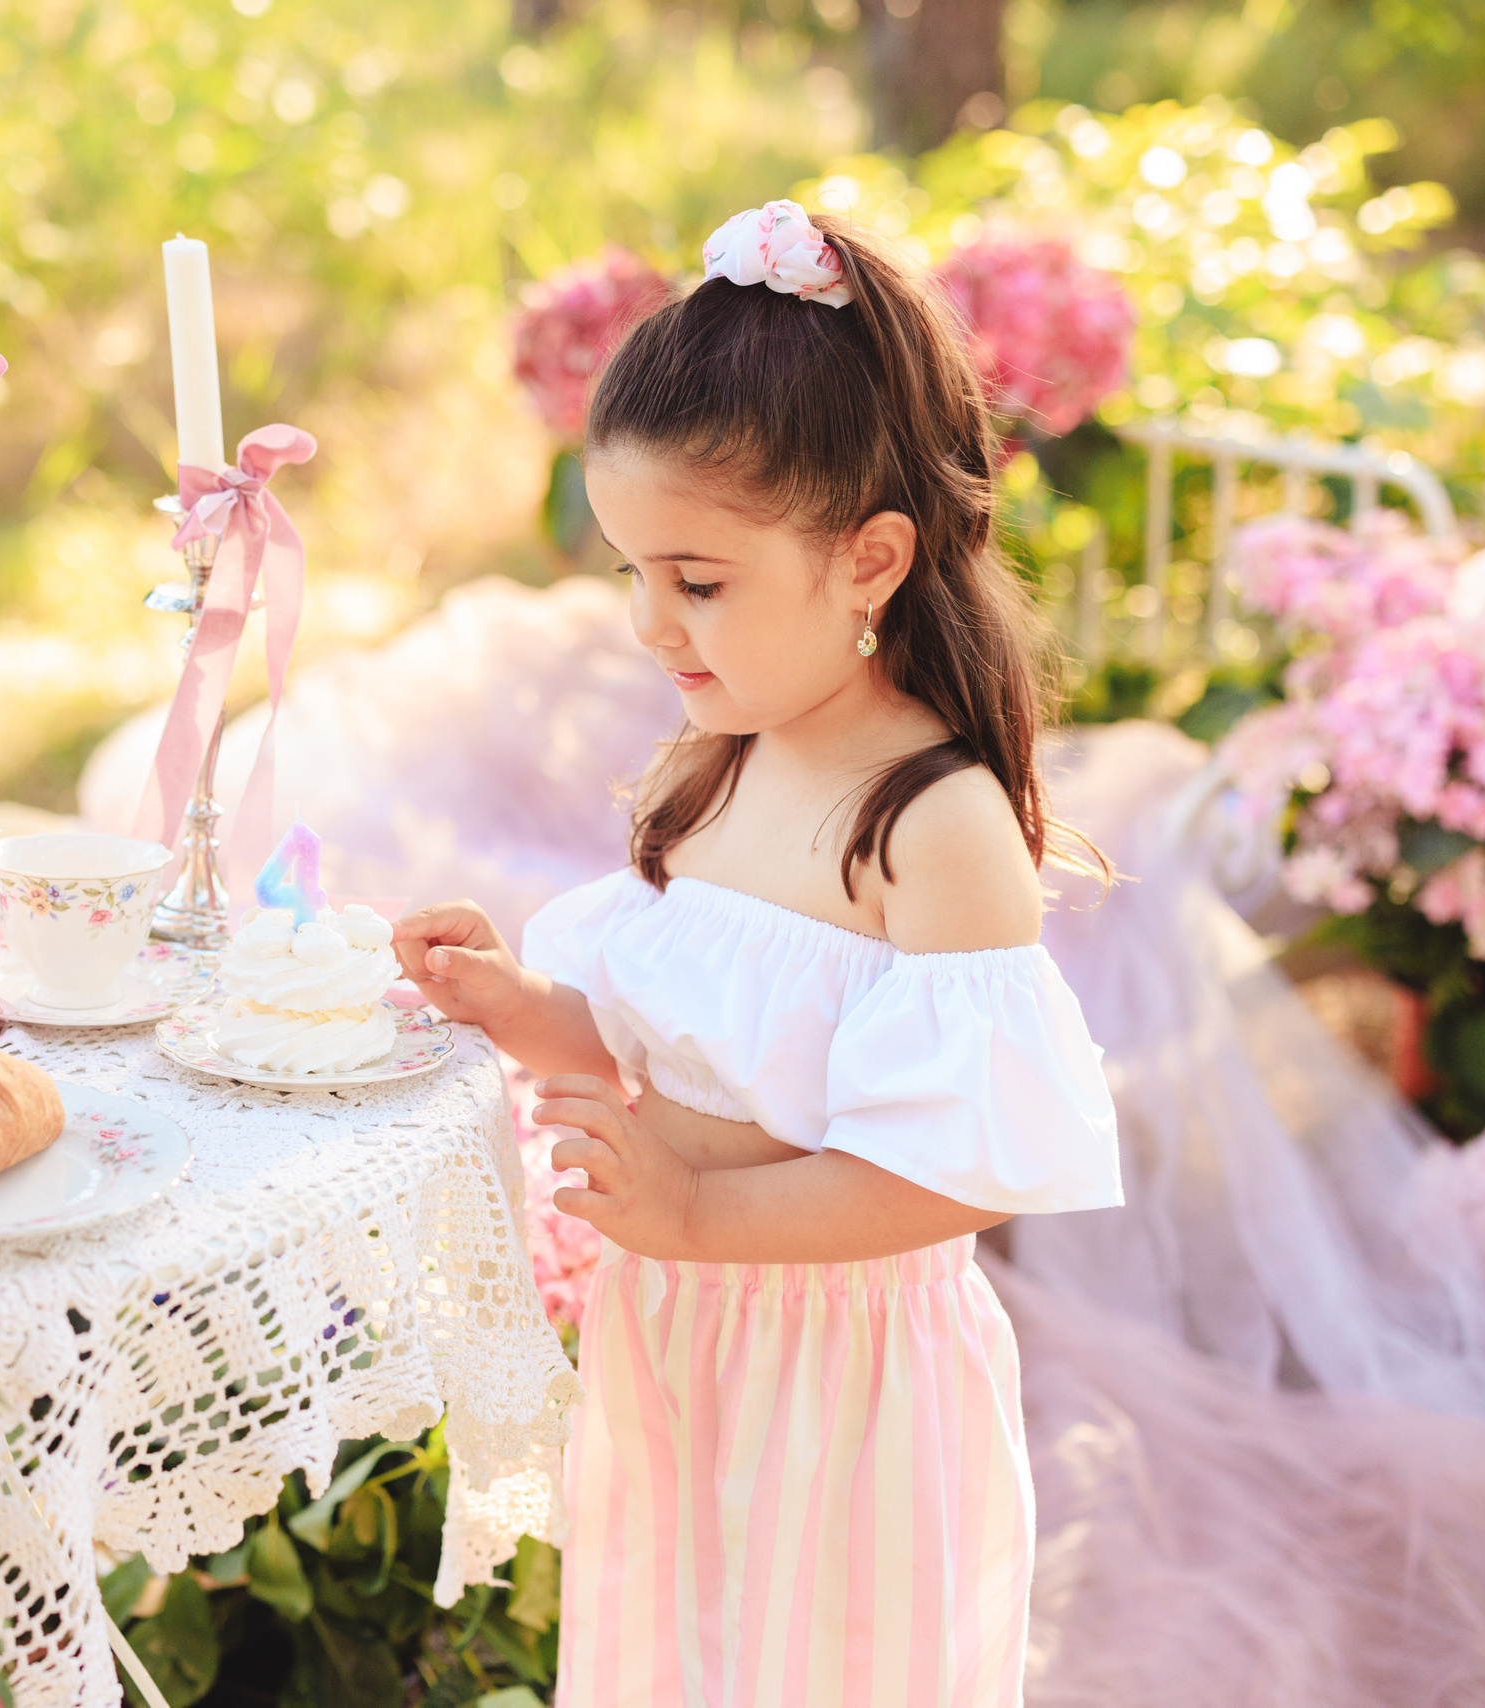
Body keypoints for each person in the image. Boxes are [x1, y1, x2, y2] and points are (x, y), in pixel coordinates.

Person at [392, 201, 1124, 1707]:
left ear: (869, 561)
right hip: (683, 1344)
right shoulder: (726, 756)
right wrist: (520, 1009)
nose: (656, 625)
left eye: (700, 581)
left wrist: (693, 1213)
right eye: (632, 577)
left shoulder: (935, 827)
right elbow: (681, 1050)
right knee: (677, 1659)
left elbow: (948, 1169)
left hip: (844, 1393)